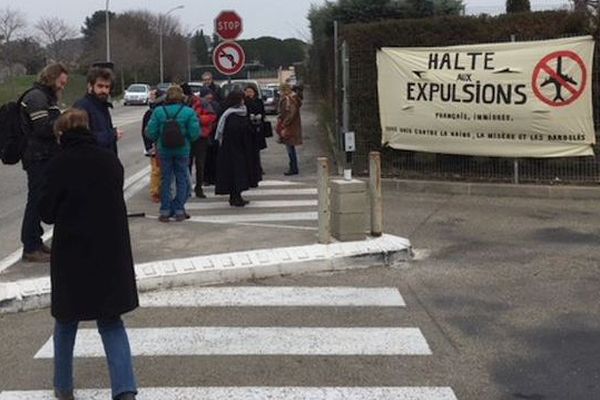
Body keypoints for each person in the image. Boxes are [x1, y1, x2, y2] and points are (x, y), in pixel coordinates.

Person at [39, 109, 138, 400]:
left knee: (66, 320)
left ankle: (63, 386)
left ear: (61, 134)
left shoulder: (58, 165)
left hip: (72, 252)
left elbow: (46, 213)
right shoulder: (110, 160)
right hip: (110, 250)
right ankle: (124, 389)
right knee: (111, 321)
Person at [20, 62, 69, 263]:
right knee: (36, 200)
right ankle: (30, 246)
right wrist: (63, 123)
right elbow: (41, 128)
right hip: (37, 157)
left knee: (40, 198)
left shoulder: (45, 97)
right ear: (52, 77)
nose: (62, 86)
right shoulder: (36, 97)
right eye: (61, 82)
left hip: (44, 155)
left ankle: (36, 240)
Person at [146, 85, 200, 222]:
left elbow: (150, 132)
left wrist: (159, 137)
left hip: (164, 150)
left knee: (166, 179)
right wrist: (185, 136)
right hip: (183, 149)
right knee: (181, 178)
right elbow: (195, 133)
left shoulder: (158, 111)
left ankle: (165, 210)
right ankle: (179, 209)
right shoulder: (188, 112)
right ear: (181, 97)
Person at [214, 91, 258, 207]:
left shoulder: (235, 113)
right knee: (236, 174)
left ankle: (236, 196)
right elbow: (236, 131)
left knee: (236, 174)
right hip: (234, 149)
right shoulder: (232, 116)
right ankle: (235, 197)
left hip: (235, 149)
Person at [73, 66, 123, 154]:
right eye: (100, 86)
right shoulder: (81, 107)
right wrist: (111, 135)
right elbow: (80, 139)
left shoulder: (102, 106)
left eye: (107, 87)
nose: (104, 90)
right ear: (90, 86)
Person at [182, 83, 217, 198]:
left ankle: (198, 187)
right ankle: (187, 188)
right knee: (186, 163)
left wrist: (197, 119)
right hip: (186, 137)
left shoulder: (202, 102)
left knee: (200, 164)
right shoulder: (180, 104)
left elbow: (212, 117)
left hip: (201, 137)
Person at [141, 90, 165, 203]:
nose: (150, 97)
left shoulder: (155, 111)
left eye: (152, 95)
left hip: (159, 144)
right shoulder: (150, 112)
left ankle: (158, 190)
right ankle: (155, 191)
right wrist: (148, 145)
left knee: (159, 170)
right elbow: (145, 131)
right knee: (156, 170)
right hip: (154, 145)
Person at [277, 83, 303, 176]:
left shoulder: (289, 99)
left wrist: (284, 123)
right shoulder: (293, 98)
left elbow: (290, 113)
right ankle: (293, 167)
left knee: (290, 148)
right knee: (290, 148)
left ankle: (293, 167)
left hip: (289, 127)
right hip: (293, 127)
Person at [243, 85, 267, 182]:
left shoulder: (258, 101)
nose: (249, 93)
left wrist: (260, 116)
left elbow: (263, 111)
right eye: (247, 91)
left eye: (250, 91)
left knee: (257, 149)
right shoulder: (244, 102)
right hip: (249, 127)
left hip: (258, 127)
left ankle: (258, 167)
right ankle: (251, 167)